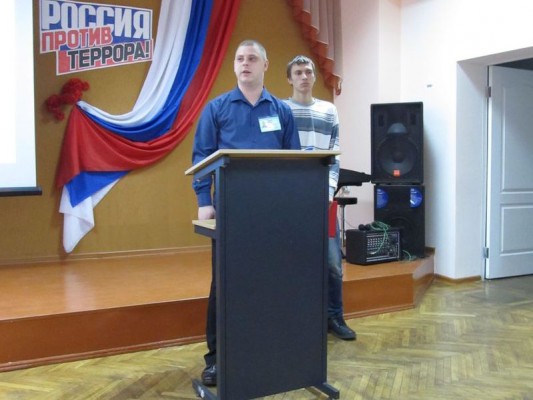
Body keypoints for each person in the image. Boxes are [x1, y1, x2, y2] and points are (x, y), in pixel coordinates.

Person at [191, 40, 301, 387]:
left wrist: (292, 205)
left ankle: (264, 350)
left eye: (252, 58)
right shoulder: (217, 109)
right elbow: (201, 157)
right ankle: (217, 359)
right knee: (224, 284)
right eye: (239, 58)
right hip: (230, 209)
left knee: (269, 281)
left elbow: (295, 161)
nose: (245, 63)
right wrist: (204, 198)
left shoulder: (282, 111)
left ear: (265, 65)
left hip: (272, 213)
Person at [283, 55, 356, 341]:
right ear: (289, 79)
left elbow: (335, 155)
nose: (304, 76)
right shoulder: (281, 109)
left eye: (308, 72)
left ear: (314, 77)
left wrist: (327, 192)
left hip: (322, 199)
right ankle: (296, 319)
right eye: (298, 72)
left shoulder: (329, 110)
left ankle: (334, 317)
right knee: (292, 262)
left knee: (333, 263)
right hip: (291, 201)